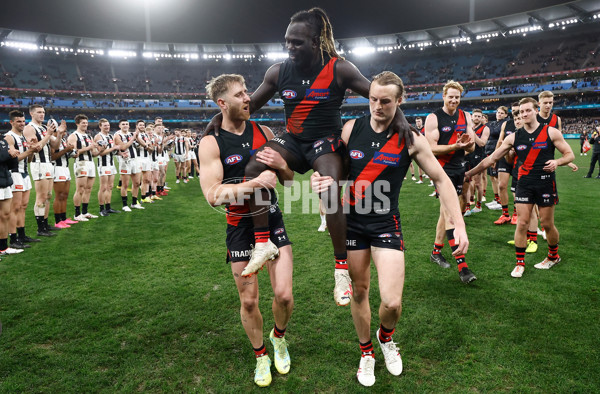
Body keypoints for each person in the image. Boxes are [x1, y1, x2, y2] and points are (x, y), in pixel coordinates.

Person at [222, 7, 412, 307]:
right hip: (293, 141)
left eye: (297, 42)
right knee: (256, 165)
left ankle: (340, 270)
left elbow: (377, 93)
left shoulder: (339, 68)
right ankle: (262, 243)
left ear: (315, 40)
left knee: (330, 188)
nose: (290, 47)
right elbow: (249, 107)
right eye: (287, 41)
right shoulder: (277, 72)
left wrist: (399, 116)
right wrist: (214, 121)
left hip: (325, 143)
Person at [311, 72, 468, 387]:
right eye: (372, 99)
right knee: (359, 291)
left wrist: (458, 224)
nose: (377, 106)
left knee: (392, 302)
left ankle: (386, 338)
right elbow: (333, 168)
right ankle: (366, 351)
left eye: (385, 101)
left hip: (386, 224)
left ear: (400, 100)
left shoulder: (410, 138)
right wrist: (321, 181)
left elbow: (441, 179)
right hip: (352, 224)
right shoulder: (352, 128)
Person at [200, 74, 294, 387]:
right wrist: (254, 184)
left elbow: (290, 180)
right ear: (222, 103)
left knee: (284, 295)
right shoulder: (211, 143)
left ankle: (278, 338)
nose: (248, 98)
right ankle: (261, 355)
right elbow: (213, 195)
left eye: (247, 93)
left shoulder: (264, 131)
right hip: (239, 227)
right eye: (240, 94)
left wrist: (282, 165)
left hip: (272, 218)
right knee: (250, 302)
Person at [466, 97, 574, 278]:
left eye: (527, 110)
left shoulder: (551, 132)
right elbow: (491, 159)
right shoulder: (514, 137)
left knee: (547, 224)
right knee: (522, 223)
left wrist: (557, 161)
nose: (524, 114)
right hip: (524, 184)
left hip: (546, 183)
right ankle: (519, 263)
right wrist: (469, 174)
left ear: (535, 110)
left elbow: (569, 154)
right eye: (521, 112)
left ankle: (553, 256)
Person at [424, 80, 477, 283]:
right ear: (444, 96)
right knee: (450, 216)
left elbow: (471, 149)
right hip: (441, 169)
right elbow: (431, 148)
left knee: (447, 211)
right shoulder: (433, 118)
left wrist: (467, 145)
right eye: (451, 96)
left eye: (457, 97)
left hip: (459, 168)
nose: (454, 100)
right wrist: (455, 146)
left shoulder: (466, 116)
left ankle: (436, 251)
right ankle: (463, 267)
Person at [23, 104, 60, 236]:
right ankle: (40, 228)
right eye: (39, 112)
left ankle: (45, 224)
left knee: (48, 196)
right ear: (31, 114)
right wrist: (48, 135)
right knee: (41, 196)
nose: (42, 114)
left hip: (48, 163)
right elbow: (36, 148)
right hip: (38, 164)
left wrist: (59, 133)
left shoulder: (44, 128)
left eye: (43, 112)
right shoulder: (29, 128)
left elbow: (55, 145)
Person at [4, 110, 39, 248]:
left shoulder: (23, 137)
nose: (22, 124)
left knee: (23, 206)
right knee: (15, 208)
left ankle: (22, 235)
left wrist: (32, 150)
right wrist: (30, 151)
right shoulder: (9, 137)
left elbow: (28, 159)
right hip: (15, 174)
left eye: (23, 121)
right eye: (18, 121)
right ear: (11, 122)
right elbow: (14, 159)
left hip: (24, 173)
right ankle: (13, 239)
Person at [68, 114, 99, 221]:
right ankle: (77, 214)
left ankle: (85, 212)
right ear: (77, 124)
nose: (85, 124)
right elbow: (73, 153)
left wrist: (98, 149)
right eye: (83, 123)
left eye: (86, 122)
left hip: (90, 163)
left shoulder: (89, 136)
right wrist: (88, 147)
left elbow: (94, 153)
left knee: (88, 189)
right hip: (81, 163)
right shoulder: (74, 136)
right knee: (80, 189)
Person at [494, 103, 519, 224]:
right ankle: (505, 214)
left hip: (518, 160)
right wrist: (495, 157)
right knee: (501, 185)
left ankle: (516, 214)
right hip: (504, 157)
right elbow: (500, 141)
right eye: (513, 110)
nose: (515, 112)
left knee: (516, 189)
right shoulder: (506, 123)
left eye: (517, 110)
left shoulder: (525, 124)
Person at [0, 134, 23, 256]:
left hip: (5, 181)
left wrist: (13, 155)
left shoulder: (3, 141)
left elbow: (11, 165)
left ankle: (3, 247)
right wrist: (9, 152)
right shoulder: (5, 143)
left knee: (5, 215)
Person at [51, 120, 77, 227]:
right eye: (63, 130)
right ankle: (57, 221)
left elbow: (65, 153)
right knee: (59, 195)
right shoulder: (52, 140)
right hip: (57, 168)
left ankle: (63, 218)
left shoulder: (62, 140)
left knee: (65, 195)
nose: (65, 132)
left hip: (65, 168)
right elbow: (53, 157)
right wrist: (67, 149)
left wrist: (72, 152)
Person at [464, 109, 489, 216]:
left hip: (478, 157)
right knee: (467, 182)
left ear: (481, 117)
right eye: (475, 116)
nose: (477, 118)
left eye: (479, 116)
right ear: (471, 117)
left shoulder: (485, 128)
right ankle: (468, 206)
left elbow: (482, 143)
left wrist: (472, 133)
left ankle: (478, 205)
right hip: (467, 156)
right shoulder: (466, 127)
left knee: (478, 183)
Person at [114, 119, 143, 211]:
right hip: (125, 161)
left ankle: (134, 203)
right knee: (125, 184)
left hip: (135, 160)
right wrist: (134, 137)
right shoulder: (117, 135)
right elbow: (123, 147)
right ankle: (125, 205)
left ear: (129, 126)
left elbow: (141, 143)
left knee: (137, 183)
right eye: (123, 124)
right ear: (120, 126)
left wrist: (146, 144)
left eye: (127, 124)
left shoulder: (131, 134)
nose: (125, 125)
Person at [483, 106, 509, 210]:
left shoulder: (505, 124)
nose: (499, 114)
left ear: (506, 115)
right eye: (498, 112)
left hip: (497, 152)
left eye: (502, 113)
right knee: (492, 177)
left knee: (498, 178)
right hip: (489, 152)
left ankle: (500, 202)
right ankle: (496, 198)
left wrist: (496, 153)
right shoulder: (494, 123)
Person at [95, 118, 120, 216]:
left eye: (108, 125)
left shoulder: (110, 136)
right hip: (103, 164)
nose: (107, 127)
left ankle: (108, 207)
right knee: (103, 187)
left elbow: (112, 151)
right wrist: (114, 148)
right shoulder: (98, 137)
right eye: (105, 125)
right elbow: (100, 153)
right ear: (100, 126)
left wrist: (120, 153)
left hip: (111, 164)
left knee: (110, 187)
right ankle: (101, 209)